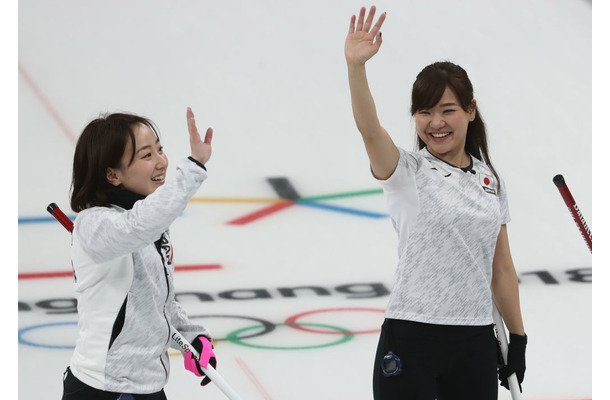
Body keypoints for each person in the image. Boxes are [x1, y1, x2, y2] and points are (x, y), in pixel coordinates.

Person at [344, 6, 527, 400]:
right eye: (424, 112)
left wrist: (518, 336)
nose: (436, 123)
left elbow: (502, 269)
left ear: (470, 111)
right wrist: (356, 67)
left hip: (475, 342)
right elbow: (369, 128)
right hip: (412, 337)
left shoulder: (489, 180)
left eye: (448, 110)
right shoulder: (406, 172)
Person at [62, 108, 217, 399]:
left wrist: (192, 335)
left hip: (148, 385)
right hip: (103, 389)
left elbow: (158, 303)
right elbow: (137, 225)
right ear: (112, 174)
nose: (161, 162)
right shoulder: (95, 225)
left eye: (161, 150)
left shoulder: (151, 226)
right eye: (147, 156)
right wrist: (193, 167)